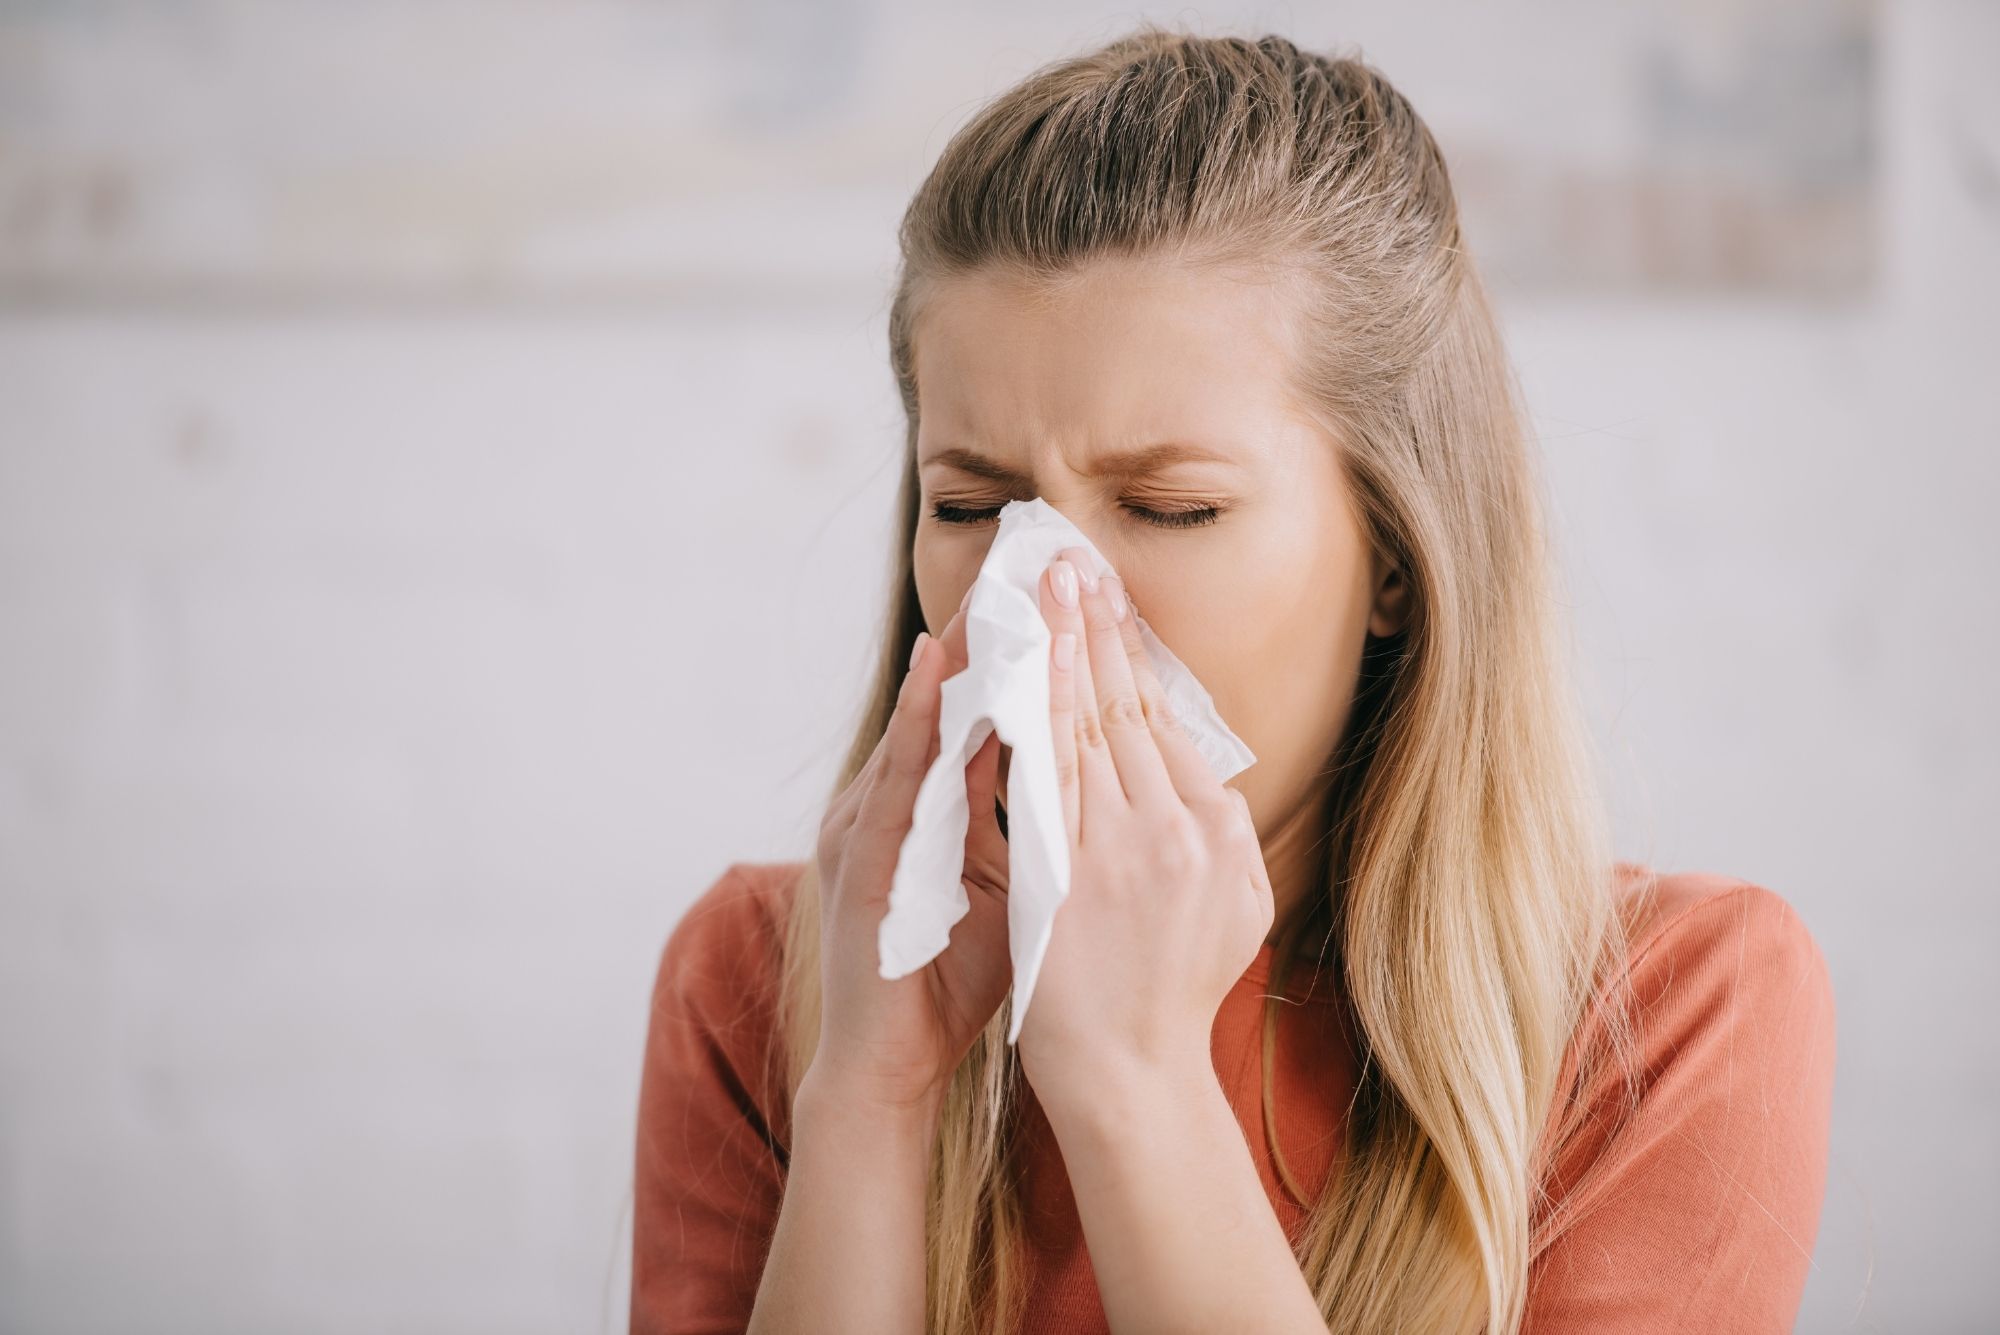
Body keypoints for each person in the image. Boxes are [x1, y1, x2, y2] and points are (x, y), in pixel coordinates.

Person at [632, 25, 1836, 1335]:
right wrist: (868, 1102)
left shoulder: (1668, 1011)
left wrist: (1134, 1083)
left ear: (1395, 555)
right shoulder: (769, 980)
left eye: (1170, 506)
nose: (1039, 597)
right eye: (972, 501)